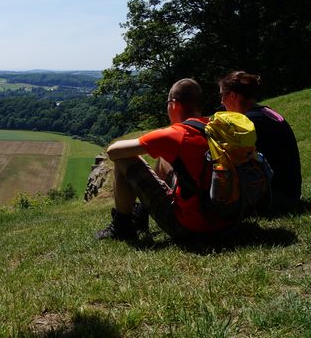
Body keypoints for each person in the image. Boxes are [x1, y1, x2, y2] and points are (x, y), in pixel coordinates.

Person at [96, 78, 235, 241]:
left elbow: (113, 152)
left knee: (123, 159)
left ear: (174, 104)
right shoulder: (213, 127)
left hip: (192, 228)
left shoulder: (176, 134)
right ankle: (140, 215)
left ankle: (122, 226)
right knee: (164, 158)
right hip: (227, 221)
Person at [218, 71, 302, 211]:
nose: (221, 102)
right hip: (291, 192)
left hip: (276, 198)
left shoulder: (248, 124)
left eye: (222, 95)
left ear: (232, 96)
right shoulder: (265, 112)